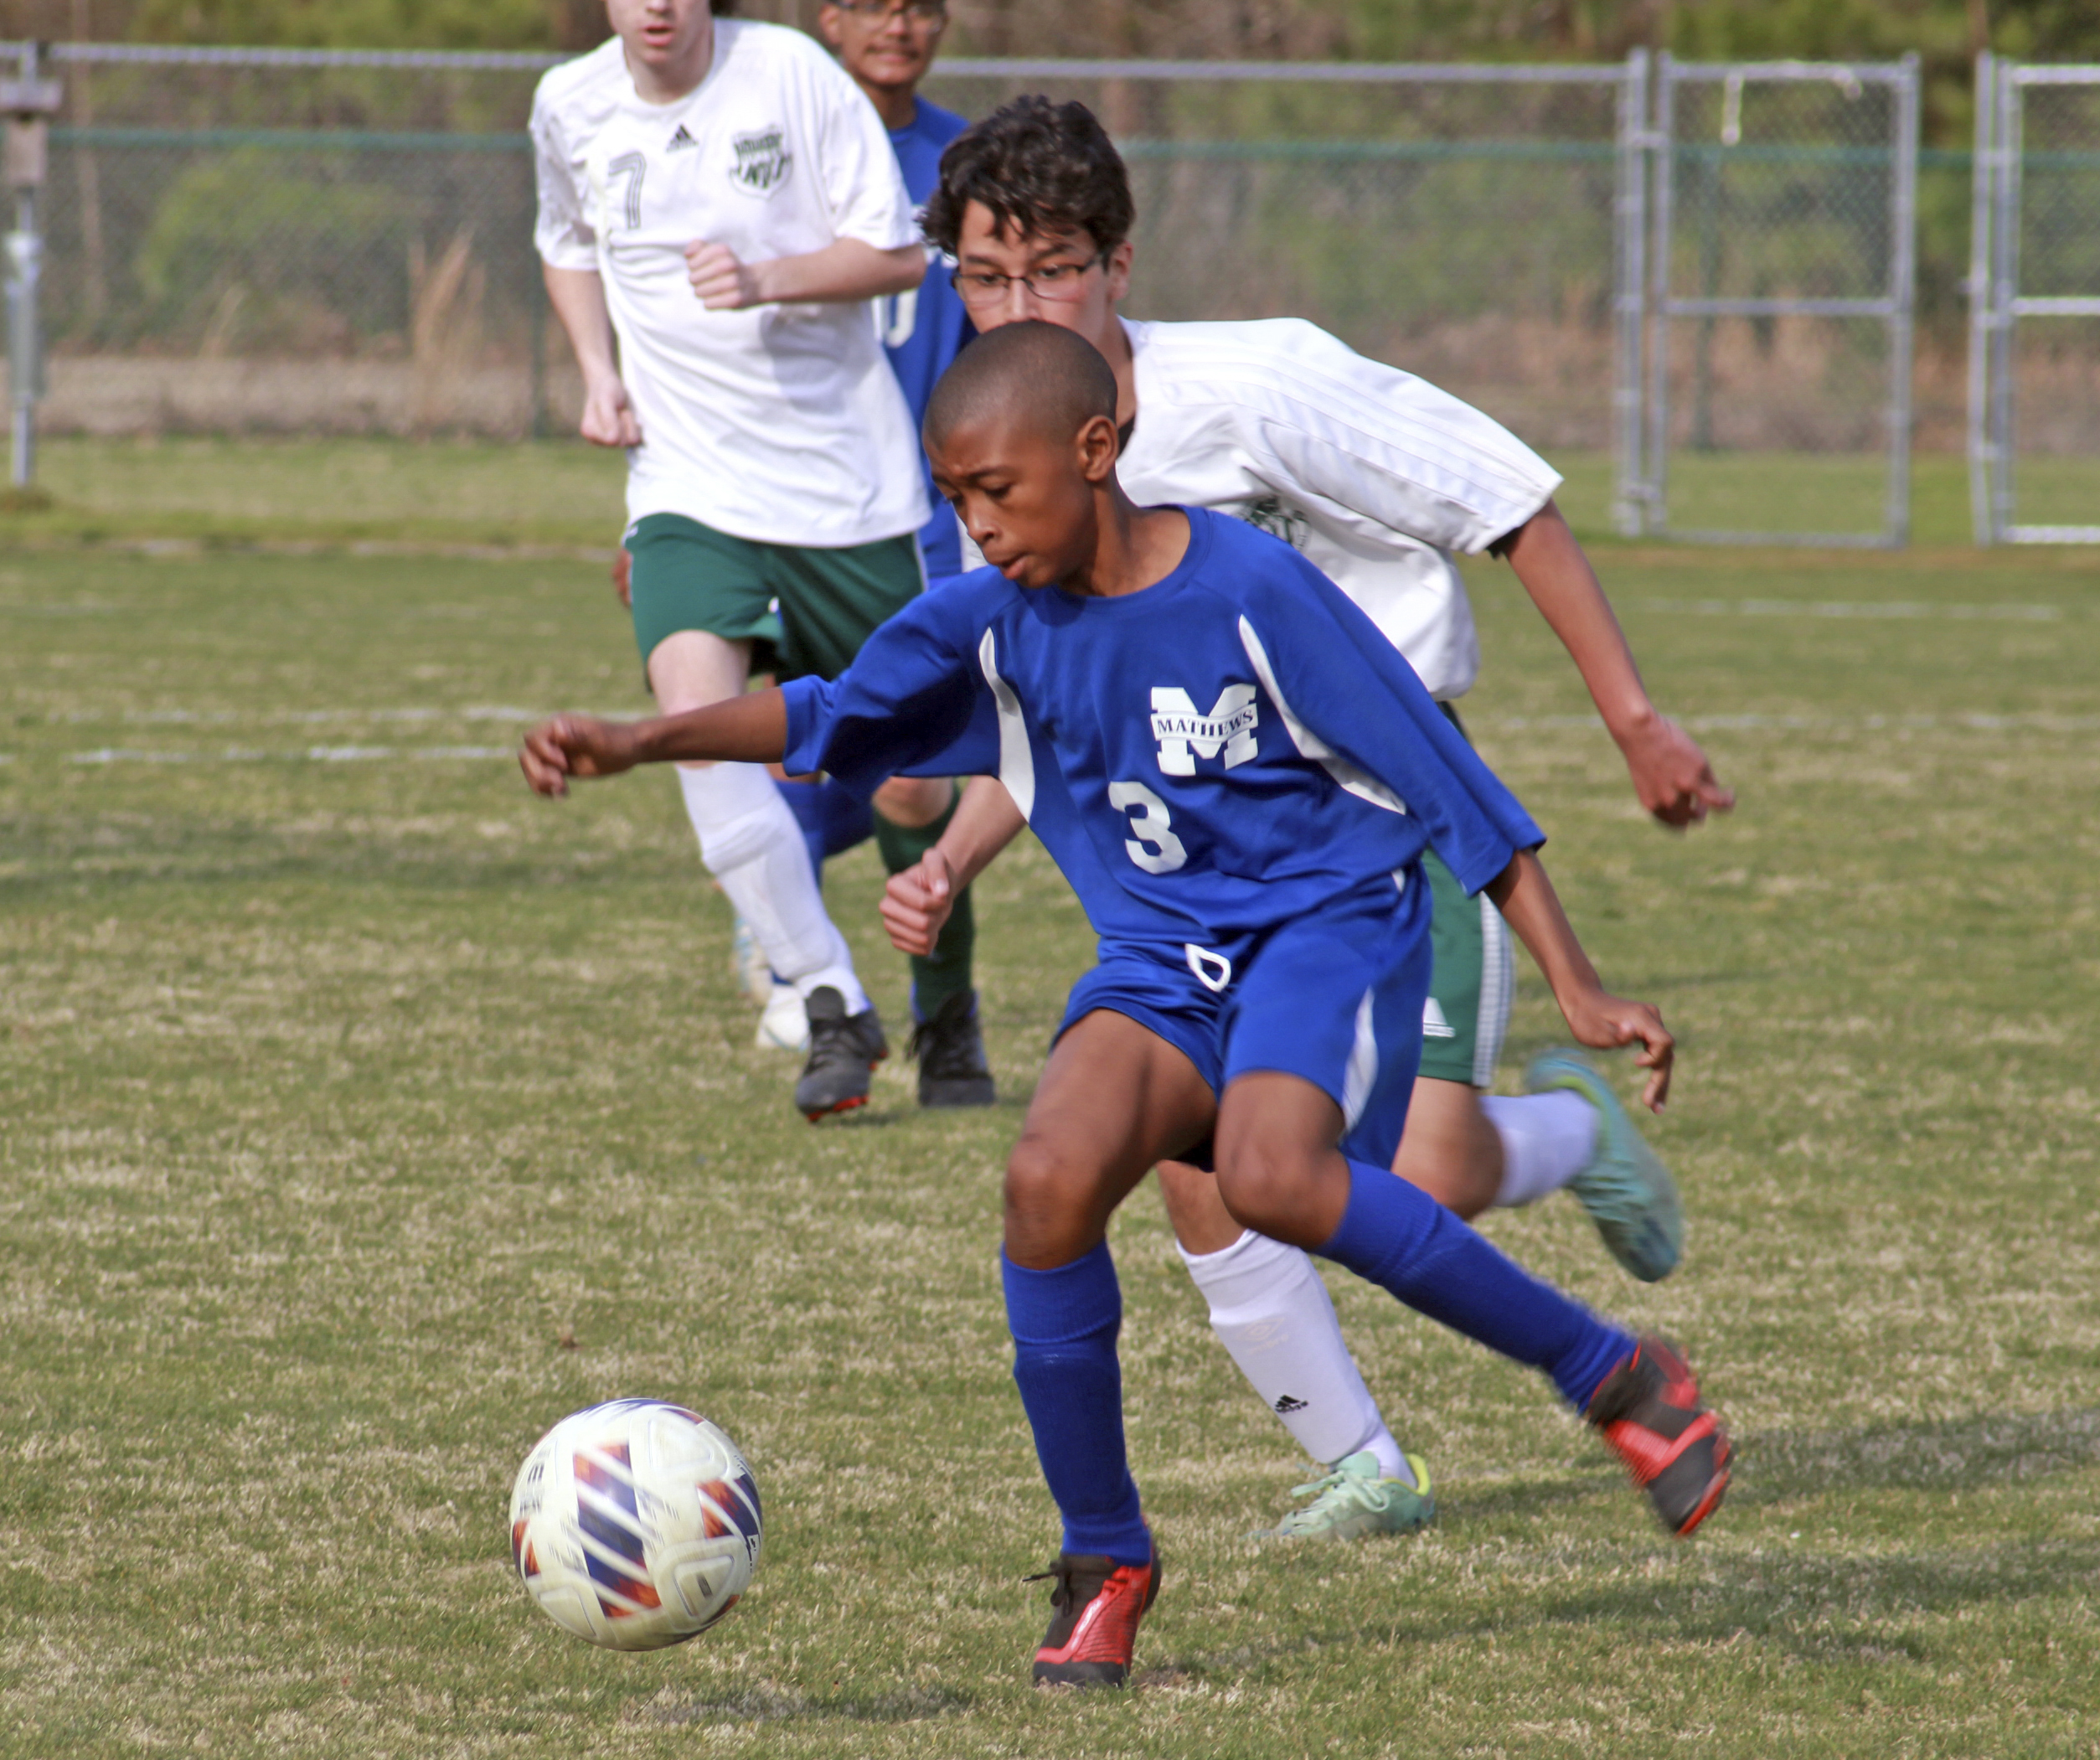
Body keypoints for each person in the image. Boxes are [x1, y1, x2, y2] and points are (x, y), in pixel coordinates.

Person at [519, 321, 1732, 1690]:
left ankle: (1615, 1375)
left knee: (1276, 1174)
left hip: (1324, 929)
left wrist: (1574, 977)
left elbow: (1439, 778)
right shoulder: (993, 622)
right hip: (1160, 957)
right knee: (1045, 1178)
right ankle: (1106, 1557)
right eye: (956, 495)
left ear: (1097, 452)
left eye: (999, 490)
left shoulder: (1252, 591)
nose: (977, 525)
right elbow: (822, 716)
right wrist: (638, 739)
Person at [879, 95, 1736, 1535]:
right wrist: (957, 847)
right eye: (987, 273)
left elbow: (1508, 500)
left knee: (1418, 1174)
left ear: (1122, 266)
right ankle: (1363, 1461)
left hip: (1373, 828)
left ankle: (1570, 1138)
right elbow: (1063, 716)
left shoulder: (1261, 387)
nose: (1022, 302)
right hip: (1208, 876)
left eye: (1056, 267)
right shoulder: (984, 454)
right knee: (1192, 1153)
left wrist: (1635, 718)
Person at [529, 0, 991, 1119]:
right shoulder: (568, 102)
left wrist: (766, 276)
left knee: (915, 785)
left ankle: (947, 1014)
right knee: (699, 731)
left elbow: (892, 254)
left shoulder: (788, 75)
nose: (657, 6)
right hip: (689, 489)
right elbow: (564, 244)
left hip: (846, 492)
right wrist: (597, 370)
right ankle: (831, 998)